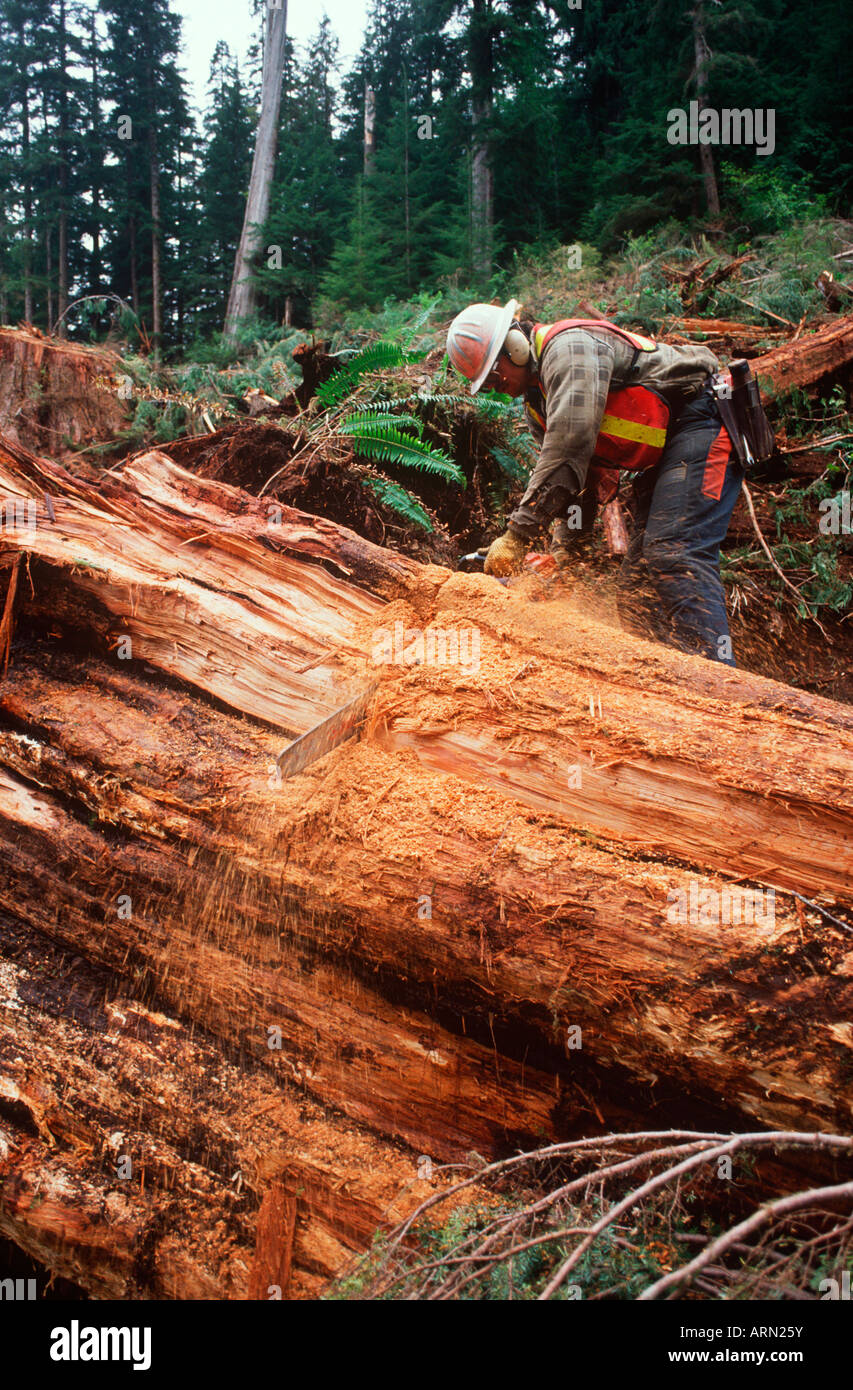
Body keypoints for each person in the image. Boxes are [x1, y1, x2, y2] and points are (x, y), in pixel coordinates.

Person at [446, 299, 745, 666]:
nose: (498, 388)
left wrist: (517, 537)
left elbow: (567, 449)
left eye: (495, 376)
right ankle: (668, 685)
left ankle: (719, 682)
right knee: (637, 589)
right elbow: (576, 482)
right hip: (667, 452)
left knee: (674, 551)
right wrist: (567, 556)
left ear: (515, 347)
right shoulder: (538, 403)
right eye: (487, 385)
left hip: (703, 418)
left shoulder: (570, 350)